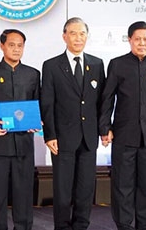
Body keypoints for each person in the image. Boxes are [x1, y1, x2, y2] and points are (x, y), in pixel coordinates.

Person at [99, 21, 146, 230]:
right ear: (130, 40)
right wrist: (104, 128)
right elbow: (107, 99)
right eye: (137, 39)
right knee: (122, 186)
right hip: (123, 135)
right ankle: (124, 225)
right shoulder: (117, 64)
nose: (142, 43)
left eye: (145, 39)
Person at [40, 17, 105, 230]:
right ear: (64, 36)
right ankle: (62, 226)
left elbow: (102, 101)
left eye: (82, 33)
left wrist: (104, 129)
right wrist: (50, 134)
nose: (78, 38)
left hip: (89, 136)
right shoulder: (51, 65)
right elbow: (47, 103)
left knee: (86, 188)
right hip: (62, 138)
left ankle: (81, 225)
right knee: (63, 188)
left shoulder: (96, 64)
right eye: (74, 33)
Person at [0, 29, 41, 230]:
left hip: (23, 145)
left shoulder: (32, 74)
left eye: (20, 45)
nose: (16, 49)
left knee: (24, 194)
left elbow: (38, 105)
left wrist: (36, 121)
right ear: (2, 46)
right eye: (12, 45)